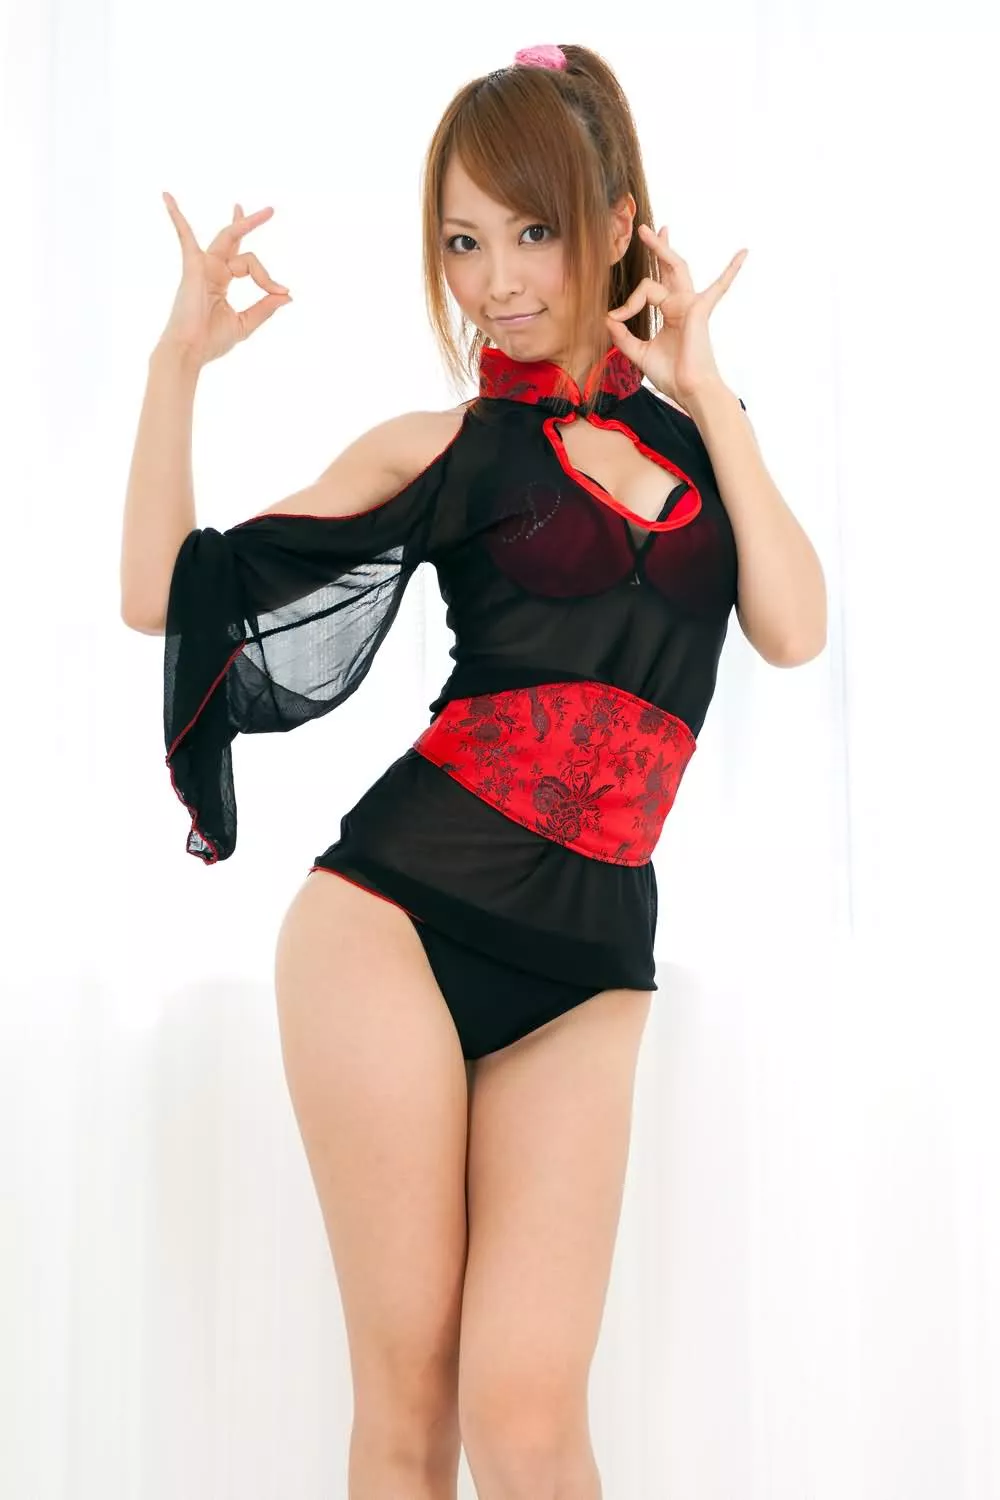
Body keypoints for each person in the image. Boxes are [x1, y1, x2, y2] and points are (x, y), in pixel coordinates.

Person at [121, 40, 826, 1500]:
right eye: (461, 241)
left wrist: (710, 389)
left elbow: (795, 626)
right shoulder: (447, 447)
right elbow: (162, 596)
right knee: (412, 1400)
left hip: (590, 957)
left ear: (617, 224)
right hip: (392, 922)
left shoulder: (708, 441)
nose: (496, 280)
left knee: (528, 1419)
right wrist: (174, 363)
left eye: (533, 230)